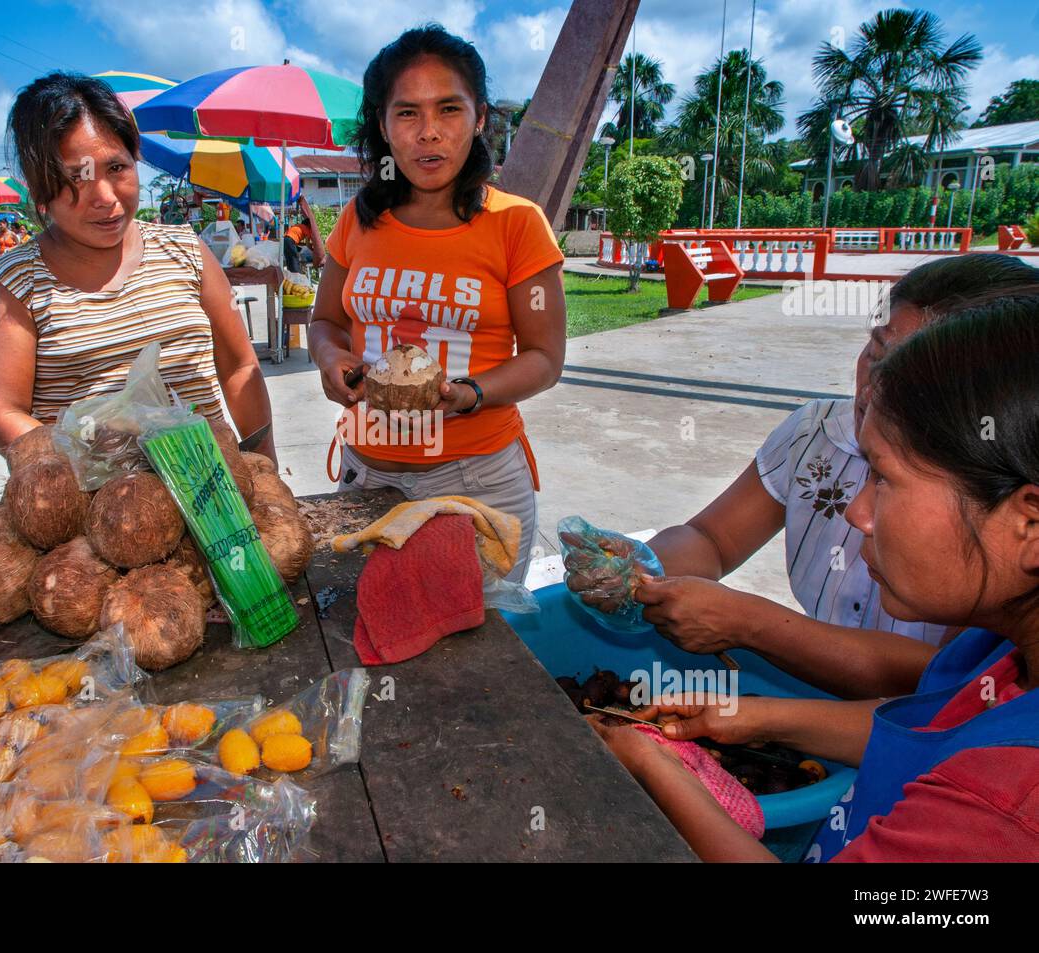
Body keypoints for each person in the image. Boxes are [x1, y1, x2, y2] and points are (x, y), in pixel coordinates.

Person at [594, 285, 1039, 862]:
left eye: (884, 479)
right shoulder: (993, 651)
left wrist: (653, 765)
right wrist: (751, 717)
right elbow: (930, 726)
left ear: (1027, 524)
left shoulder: (1005, 809)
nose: (856, 514)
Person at [634, 254, 1039, 698]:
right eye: (876, 354)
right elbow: (712, 538)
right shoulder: (816, 433)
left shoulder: (987, 503)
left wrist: (752, 624)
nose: (874, 388)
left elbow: (940, 686)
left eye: (907, 372)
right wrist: (639, 571)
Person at [309, 25, 566, 583]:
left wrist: (471, 394)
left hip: (477, 485)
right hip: (366, 475)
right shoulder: (357, 218)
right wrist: (331, 361)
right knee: (368, 638)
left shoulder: (516, 223)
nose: (429, 133)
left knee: (482, 657)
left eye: (449, 109)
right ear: (382, 125)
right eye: (407, 113)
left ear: (478, 120)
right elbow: (325, 319)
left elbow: (545, 357)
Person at [0, 72, 275, 462]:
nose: (104, 197)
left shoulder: (186, 250)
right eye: (76, 177)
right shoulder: (10, 286)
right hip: (89, 507)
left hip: (211, 494)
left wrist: (264, 464)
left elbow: (238, 368)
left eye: (117, 168)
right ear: (40, 184)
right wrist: (96, 462)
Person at [284, 193, 326, 271]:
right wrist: (314, 251)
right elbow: (307, 244)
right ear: (309, 225)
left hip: (286, 240)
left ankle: (292, 273)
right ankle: (296, 276)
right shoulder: (306, 229)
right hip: (290, 241)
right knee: (294, 259)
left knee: (291, 257)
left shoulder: (299, 226)